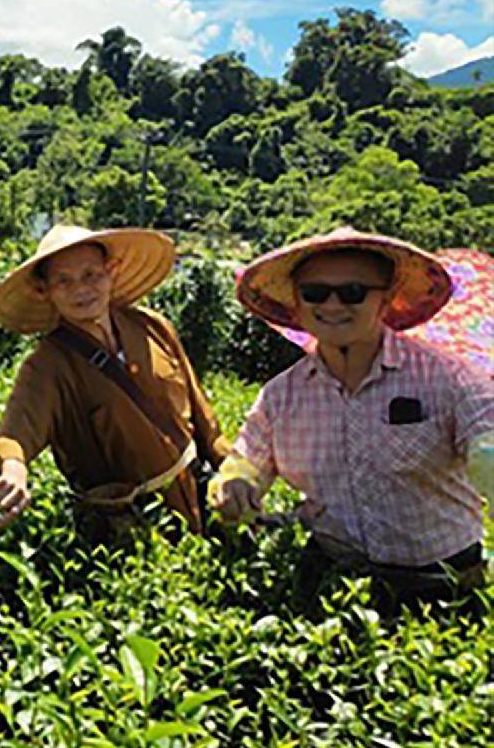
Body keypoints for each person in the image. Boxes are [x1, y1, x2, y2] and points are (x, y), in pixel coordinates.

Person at [210, 227, 494, 609]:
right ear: (296, 301)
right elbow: (248, 457)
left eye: (353, 292)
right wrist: (236, 483)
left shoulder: (448, 377)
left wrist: (485, 457)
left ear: (386, 299)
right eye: (315, 293)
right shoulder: (282, 395)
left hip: (444, 587)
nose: (332, 305)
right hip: (338, 589)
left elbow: (485, 433)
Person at [0, 225, 230, 537]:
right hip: (128, 530)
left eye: (91, 275)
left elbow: (204, 420)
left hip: (199, 499)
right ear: (45, 291)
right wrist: (14, 469)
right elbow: (16, 433)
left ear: (111, 271)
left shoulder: (153, 327)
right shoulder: (47, 365)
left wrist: (239, 472)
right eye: (64, 281)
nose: (80, 289)